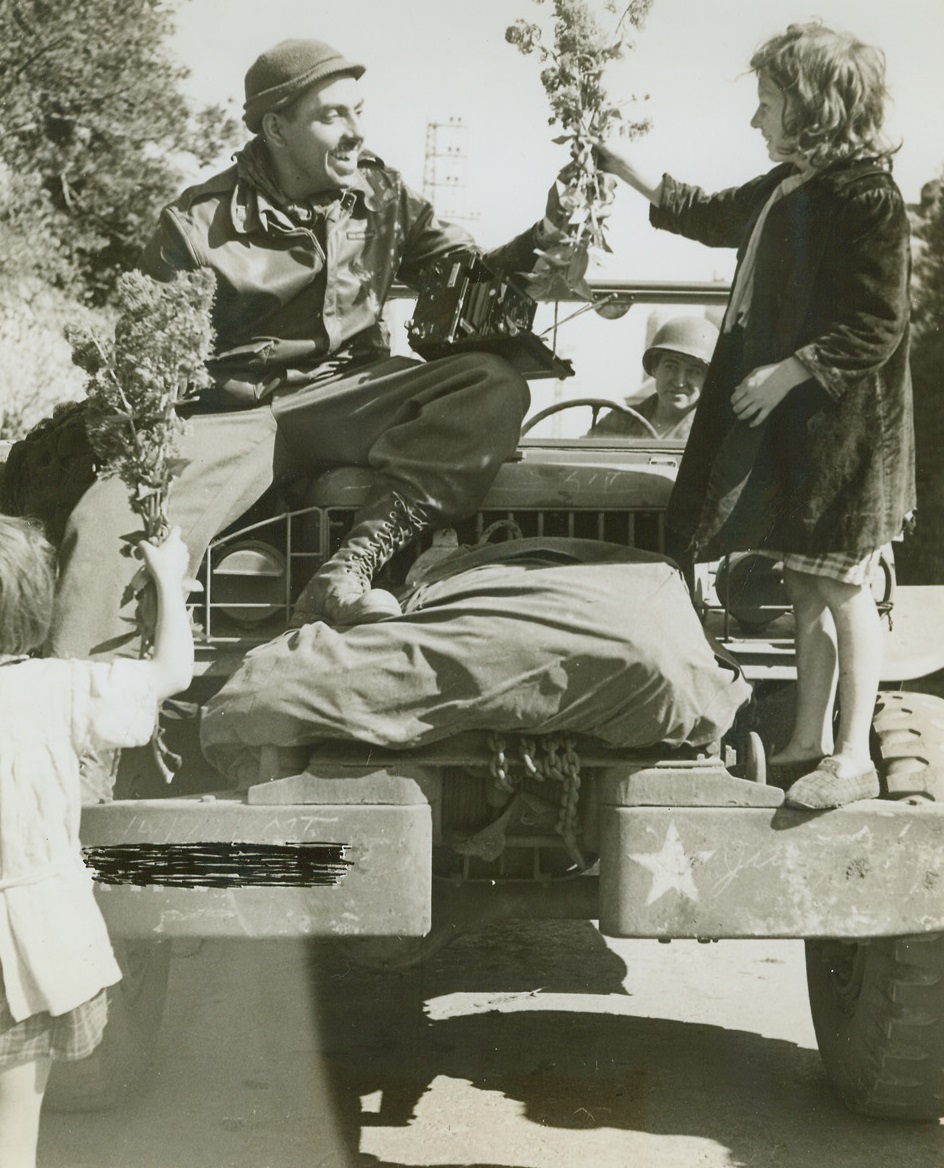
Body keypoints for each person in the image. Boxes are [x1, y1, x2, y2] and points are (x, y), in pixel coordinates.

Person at [47, 38, 569, 658]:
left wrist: (545, 241)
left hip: (350, 395)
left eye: (358, 111)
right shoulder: (193, 227)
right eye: (332, 116)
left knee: (490, 384)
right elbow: (148, 377)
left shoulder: (382, 197)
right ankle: (83, 729)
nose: (355, 132)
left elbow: (463, 270)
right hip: (230, 416)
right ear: (275, 128)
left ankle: (346, 572)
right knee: (104, 533)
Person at [596, 21, 914, 809]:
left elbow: (878, 322)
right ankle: (807, 735)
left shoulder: (867, 198)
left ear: (812, 107)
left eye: (766, 103)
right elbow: (709, 215)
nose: (754, 120)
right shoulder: (791, 186)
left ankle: (851, 755)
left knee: (845, 587)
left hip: (852, 437)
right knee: (807, 584)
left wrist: (788, 371)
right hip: (809, 434)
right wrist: (628, 171)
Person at [0, 518, 193, 1168]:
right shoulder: (60, 689)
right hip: (29, 954)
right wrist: (168, 579)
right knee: (13, 1141)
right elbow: (171, 672)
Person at [587, 316, 719, 439]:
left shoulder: (713, 429)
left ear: (707, 379)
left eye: (693, 371)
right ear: (655, 369)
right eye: (671, 367)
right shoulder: (621, 421)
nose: (679, 382)